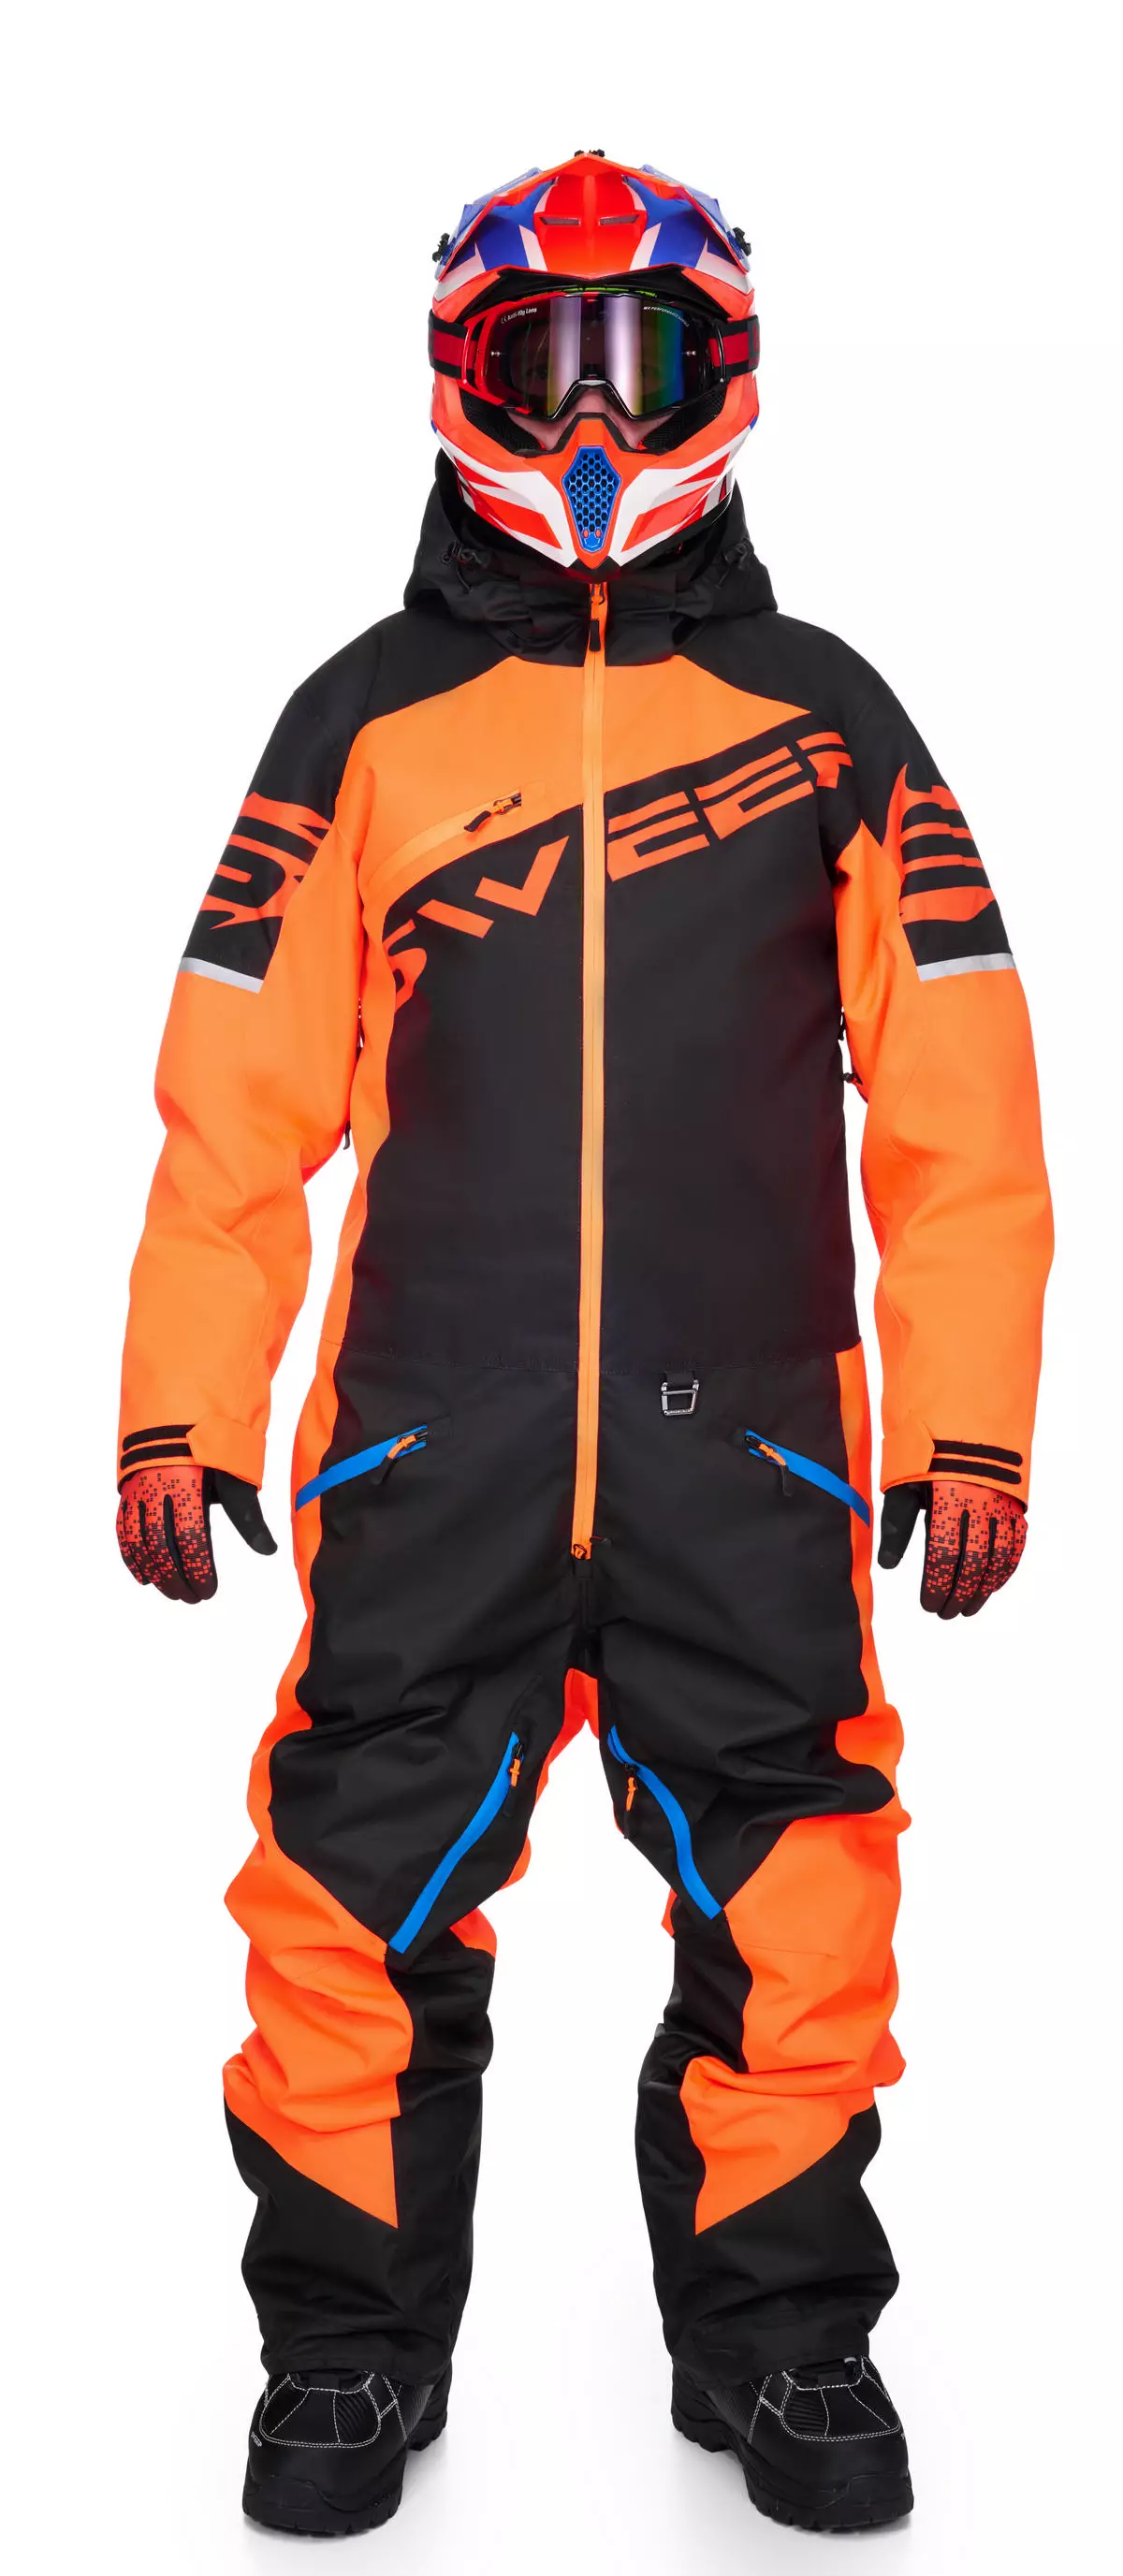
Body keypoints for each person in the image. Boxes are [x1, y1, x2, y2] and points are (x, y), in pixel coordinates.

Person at [116, 152, 1052, 2538]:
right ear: (468, 378)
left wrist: (969, 1420)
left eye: (643, 361)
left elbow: (960, 1093)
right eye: (548, 366)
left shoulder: (829, 718)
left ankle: (782, 2339)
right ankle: (347, 2354)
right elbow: (236, 1098)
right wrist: (182, 1397)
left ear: (725, 376)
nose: (597, 418)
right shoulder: (365, 718)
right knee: (348, 1893)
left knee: (801, 1893)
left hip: (754, 1452)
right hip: (428, 1442)